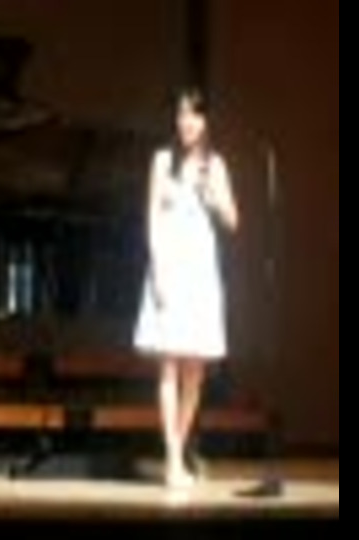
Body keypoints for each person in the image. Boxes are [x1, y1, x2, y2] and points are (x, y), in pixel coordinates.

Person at [133, 88, 240, 489]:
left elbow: (233, 221)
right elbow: (150, 219)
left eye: (194, 114)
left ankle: (176, 453)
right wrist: (158, 270)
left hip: (200, 272)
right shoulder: (162, 160)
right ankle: (174, 460)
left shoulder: (216, 164)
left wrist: (214, 196)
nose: (187, 122)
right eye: (181, 114)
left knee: (195, 373)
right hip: (170, 268)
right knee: (169, 366)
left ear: (206, 120)